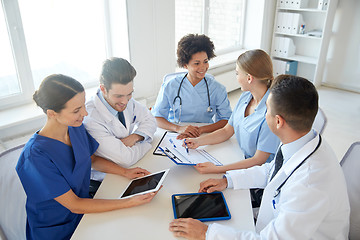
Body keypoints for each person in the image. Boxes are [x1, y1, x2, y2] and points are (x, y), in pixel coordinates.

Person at [169, 75, 350, 239]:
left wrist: (207, 234)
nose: (264, 114)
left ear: (278, 121)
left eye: (267, 109)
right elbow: (273, 170)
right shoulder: (300, 137)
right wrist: (228, 180)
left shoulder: (309, 184)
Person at [16, 74, 159, 240]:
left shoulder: (74, 128)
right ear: (52, 113)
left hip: (86, 212)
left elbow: (92, 159)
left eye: (83, 105)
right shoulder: (34, 157)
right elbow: (74, 205)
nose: (85, 113)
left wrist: (124, 172)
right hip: (57, 228)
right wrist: (129, 202)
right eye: (76, 110)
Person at [184, 49, 280, 174]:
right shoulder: (245, 97)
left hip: (258, 172)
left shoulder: (271, 113)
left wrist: (218, 169)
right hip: (239, 157)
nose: (236, 77)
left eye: (237, 73)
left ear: (249, 78)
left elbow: (258, 160)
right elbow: (226, 131)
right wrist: (198, 142)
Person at [83, 57, 157, 182]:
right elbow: (125, 159)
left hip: (132, 168)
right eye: (119, 96)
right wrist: (147, 142)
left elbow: (150, 119)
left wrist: (136, 137)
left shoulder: (125, 99)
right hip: (106, 179)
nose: (125, 101)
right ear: (103, 89)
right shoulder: (91, 119)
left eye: (129, 94)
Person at [152, 34, 232, 139]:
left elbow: (226, 120)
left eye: (205, 61)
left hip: (205, 134)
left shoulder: (217, 89)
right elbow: (157, 117)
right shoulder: (170, 86)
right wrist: (178, 128)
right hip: (175, 132)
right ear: (185, 65)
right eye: (196, 63)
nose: (203, 67)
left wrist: (200, 130)